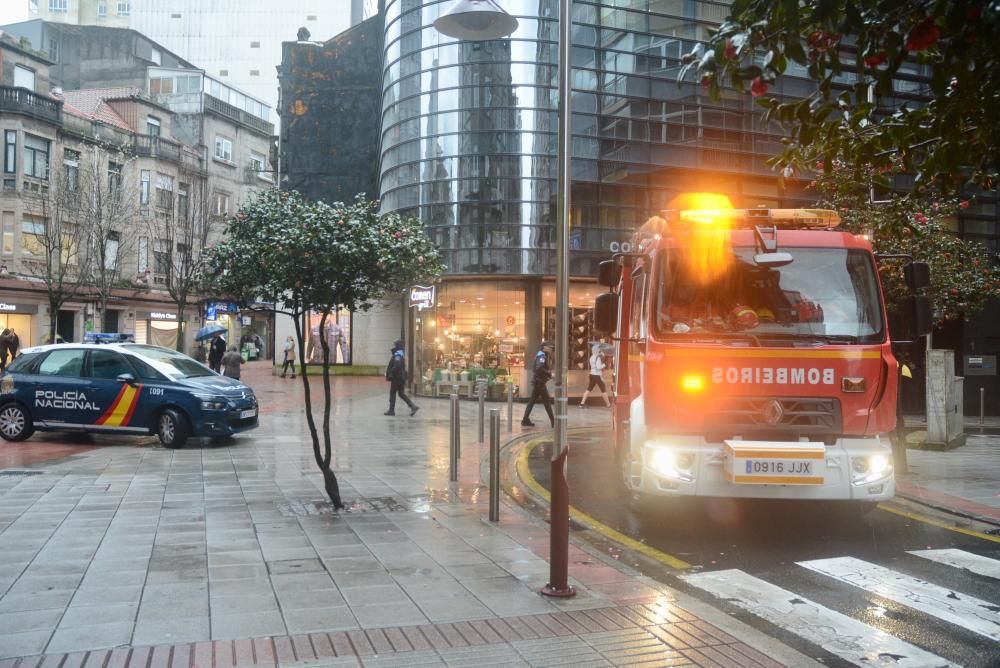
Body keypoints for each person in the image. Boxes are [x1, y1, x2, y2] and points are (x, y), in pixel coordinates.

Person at [522, 341, 555, 427]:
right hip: (540, 382)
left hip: (538, 382)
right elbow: (539, 367)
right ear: (544, 347)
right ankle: (554, 422)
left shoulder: (542, 354)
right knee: (547, 401)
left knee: (532, 401)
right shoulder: (541, 355)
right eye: (549, 347)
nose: (551, 348)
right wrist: (549, 374)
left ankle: (525, 420)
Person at [384, 339, 418, 416]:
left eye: (395, 345)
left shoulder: (398, 355)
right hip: (400, 377)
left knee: (392, 393)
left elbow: (397, 365)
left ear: (398, 346)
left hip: (397, 377)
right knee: (401, 393)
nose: (394, 347)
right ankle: (413, 406)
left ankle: (391, 411)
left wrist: (390, 372)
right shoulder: (400, 354)